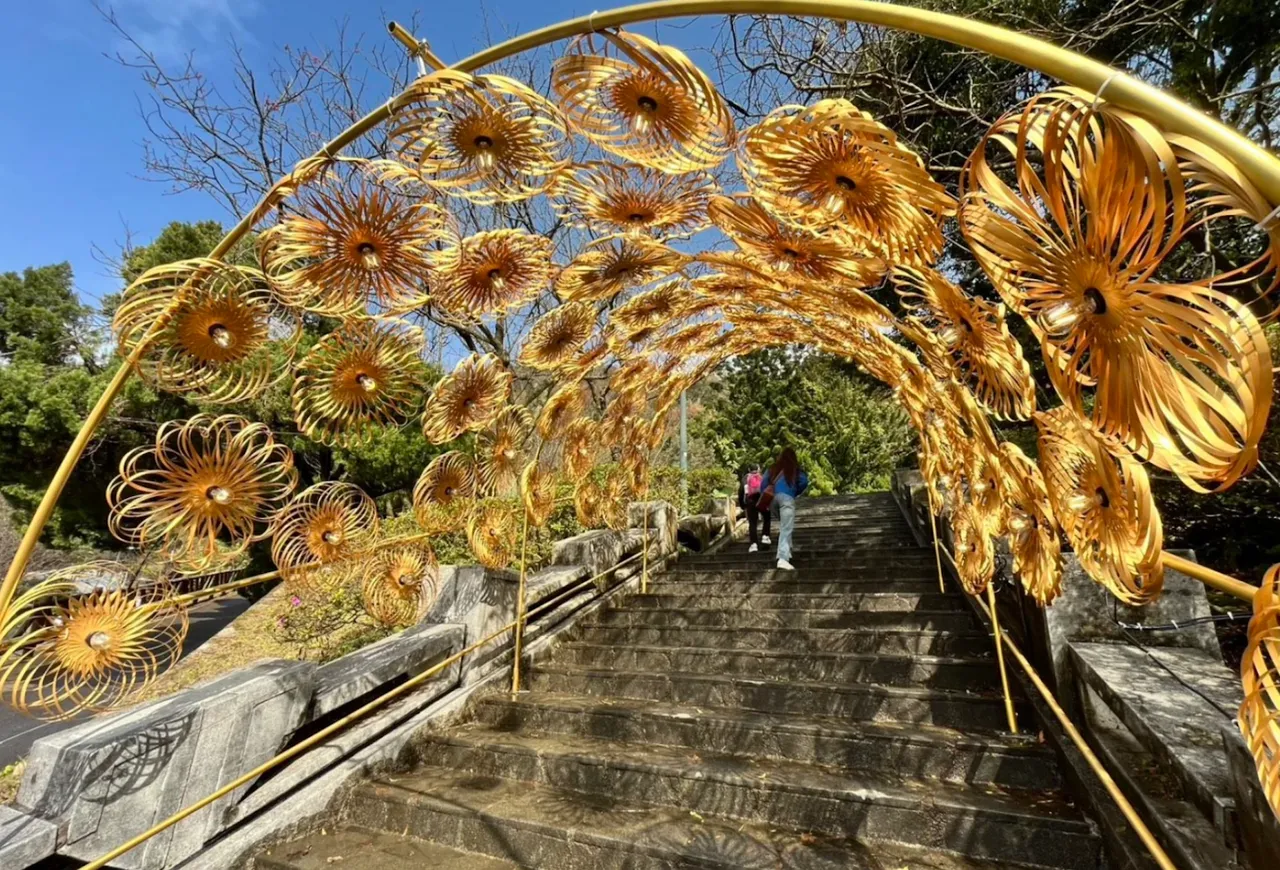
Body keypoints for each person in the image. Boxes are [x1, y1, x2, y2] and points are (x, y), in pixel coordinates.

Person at [759, 447, 808, 570]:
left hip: (773, 501)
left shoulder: (772, 468)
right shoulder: (795, 470)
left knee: (785, 525)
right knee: (786, 528)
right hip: (786, 499)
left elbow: (763, 485)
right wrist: (793, 491)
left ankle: (788, 551)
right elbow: (804, 482)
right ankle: (782, 558)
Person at [739, 465, 771, 553]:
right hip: (761, 500)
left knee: (752, 523)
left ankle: (754, 544)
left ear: (749, 469)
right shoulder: (762, 477)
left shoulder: (745, 479)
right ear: (758, 469)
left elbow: (741, 492)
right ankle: (765, 536)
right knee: (767, 517)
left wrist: (742, 505)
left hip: (750, 502)